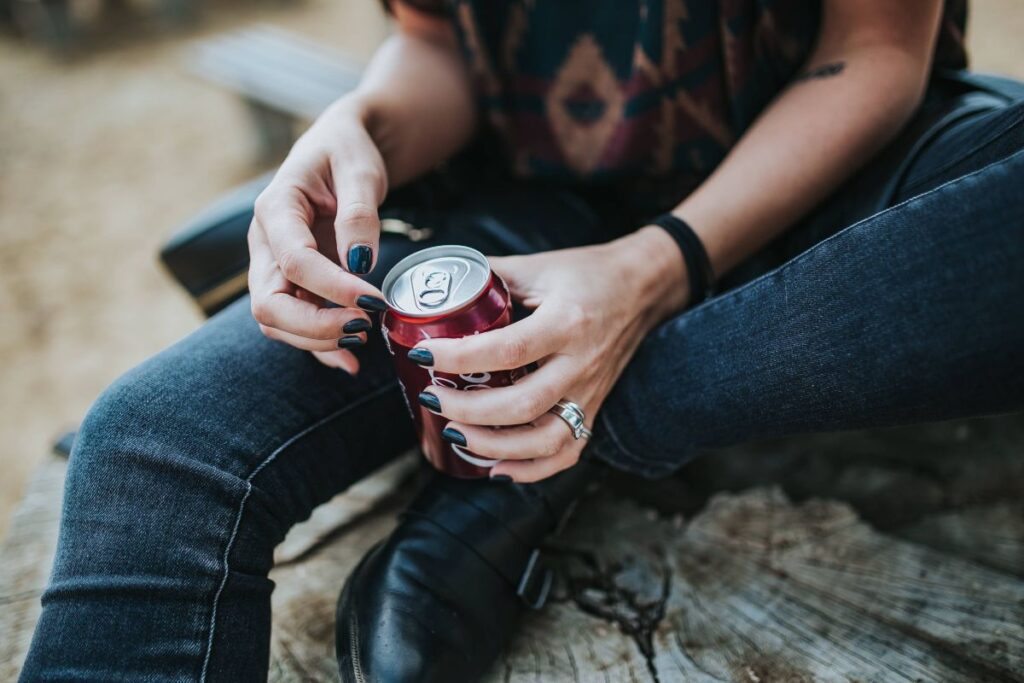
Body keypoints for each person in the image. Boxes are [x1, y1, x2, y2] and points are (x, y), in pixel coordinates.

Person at [22, 0, 1024, 680]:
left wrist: (652, 272)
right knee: (149, 444)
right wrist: (360, 125)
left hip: (839, 192)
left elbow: (876, 47)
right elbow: (439, 44)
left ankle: (557, 433)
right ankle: (539, 405)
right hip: (540, 214)